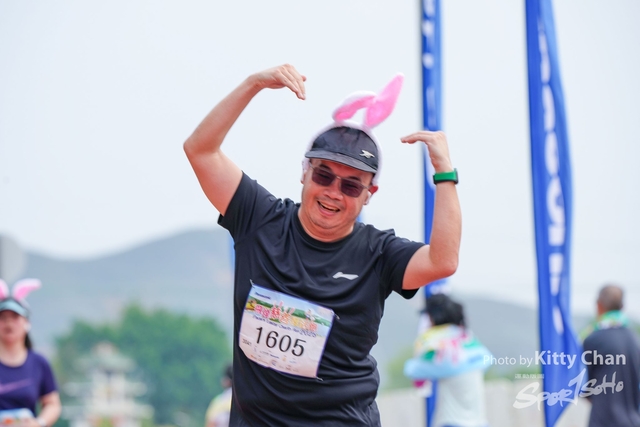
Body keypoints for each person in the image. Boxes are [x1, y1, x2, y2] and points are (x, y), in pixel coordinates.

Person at [183, 64, 461, 426]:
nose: (333, 192)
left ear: (369, 193)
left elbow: (442, 261)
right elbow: (200, 150)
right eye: (324, 175)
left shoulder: (378, 253)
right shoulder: (260, 219)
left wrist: (444, 172)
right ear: (305, 172)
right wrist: (253, 84)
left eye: (351, 185)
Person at [404, 293, 491, 427]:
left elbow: (412, 370)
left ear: (433, 318)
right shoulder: (467, 338)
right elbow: (488, 358)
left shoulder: (440, 347)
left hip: (452, 422)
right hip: (480, 422)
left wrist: (421, 347)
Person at [0, 279, 61, 427]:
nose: (9, 323)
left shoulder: (39, 363)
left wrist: (38, 423)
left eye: (15, 317)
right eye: (3, 317)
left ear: (26, 323)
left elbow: (52, 404)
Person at [582, 284, 640, 427]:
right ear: (622, 306)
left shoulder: (592, 339)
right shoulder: (635, 340)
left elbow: (582, 385)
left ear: (599, 305)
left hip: (603, 422)